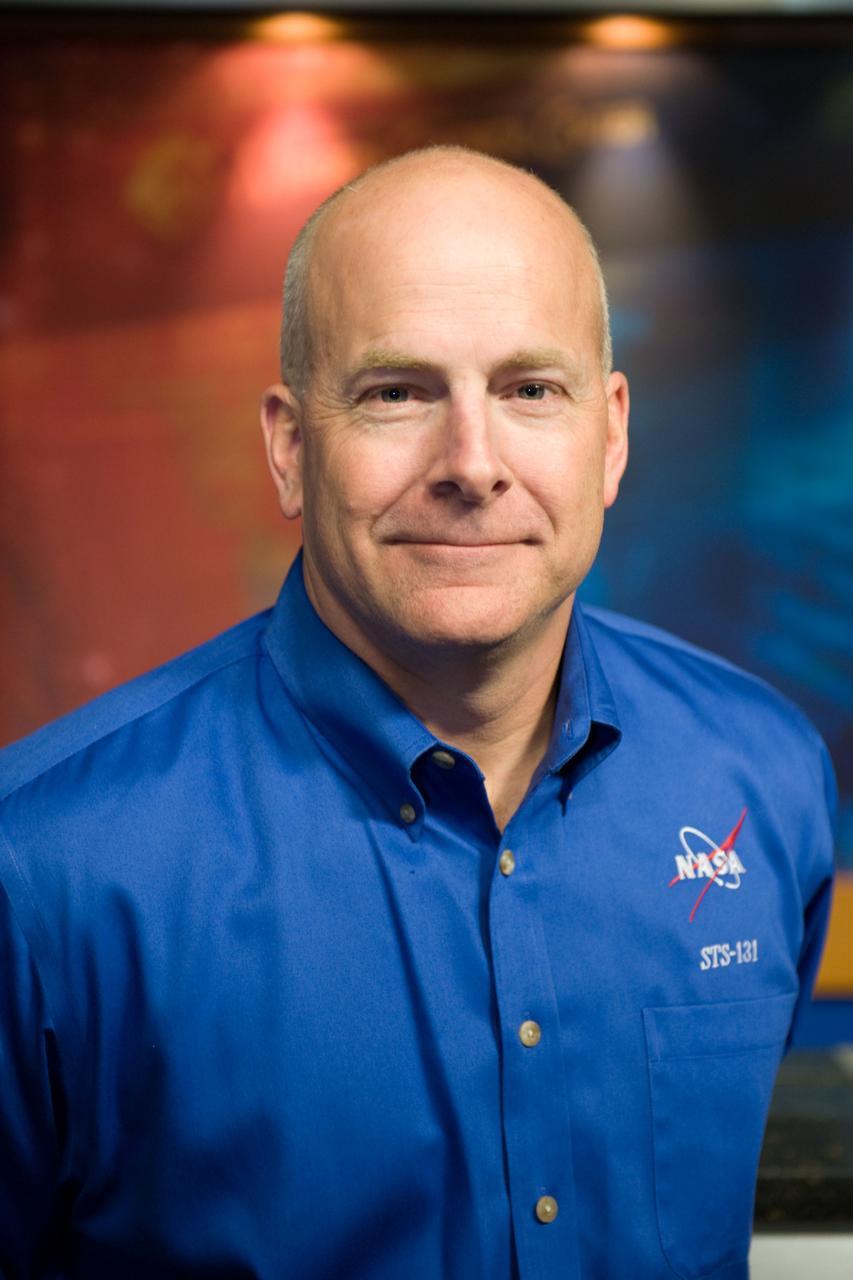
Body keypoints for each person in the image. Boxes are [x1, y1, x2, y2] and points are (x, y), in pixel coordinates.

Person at [0, 146, 835, 1280]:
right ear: (291, 447)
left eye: (530, 389)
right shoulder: (44, 869)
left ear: (613, 434)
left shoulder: (759, 773)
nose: (472, 463)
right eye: (397, 392)